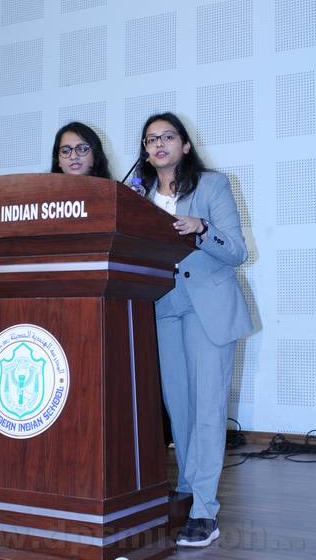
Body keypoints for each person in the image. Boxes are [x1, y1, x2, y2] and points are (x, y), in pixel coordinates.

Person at [135, 112, 252, 548]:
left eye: (168, 136)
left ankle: (204, 511)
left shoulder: (212, 186)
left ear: (185, 145)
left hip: (208, 308)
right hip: (164, 309)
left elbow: (237, 251)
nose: (159, 144)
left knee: (206, 409)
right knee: (179, 408)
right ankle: (187, 488)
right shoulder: (139, 197)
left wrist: (202, 228)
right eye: (151, 139)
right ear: (145, 151)